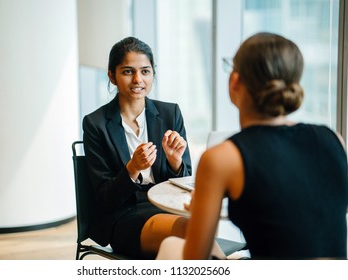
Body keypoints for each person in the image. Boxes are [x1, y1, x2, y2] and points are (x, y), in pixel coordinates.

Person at [157, 32, 348, 259]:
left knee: (171, 246)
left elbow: (195, 261)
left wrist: (200, 215)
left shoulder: (222, 158)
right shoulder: (334, 139)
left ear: (234, 81)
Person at [82, 36, 193, 259]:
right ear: (112, 76)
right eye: (127, 71)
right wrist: (132, 168)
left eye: (145, 71)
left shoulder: (171, 113)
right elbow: (105, 199)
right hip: (123, 215)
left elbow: (186, 180)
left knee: (195, 232)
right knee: (191, 233)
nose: (137, 79)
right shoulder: (96, 124)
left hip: (165, 206)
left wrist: (175, 162)